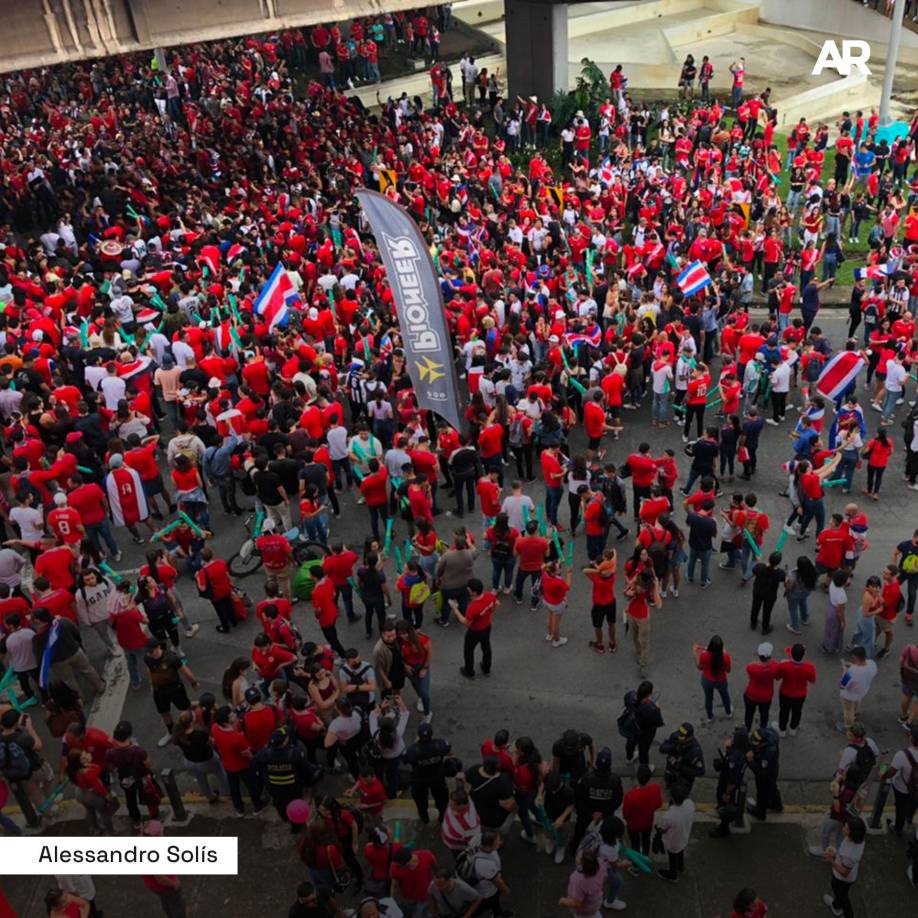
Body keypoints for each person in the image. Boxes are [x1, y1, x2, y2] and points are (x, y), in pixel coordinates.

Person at [404, 721, 452, 825]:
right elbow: (448, 748)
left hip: (420, 779)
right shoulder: (439, 745)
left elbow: (405, 759)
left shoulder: (413, 750)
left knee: (421, 801)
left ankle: (424, 818)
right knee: (441, 799)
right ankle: (442, 817)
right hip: (437, 777)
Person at [822, 816, 867, 918]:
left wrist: (832, 861)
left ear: (853, 833)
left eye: (846, 828)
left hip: (843, 878)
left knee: (842, 896)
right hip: (846, 873)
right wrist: (836, 854)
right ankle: (836, 905)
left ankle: (848, 915)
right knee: (838, 892)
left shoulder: (850, 854)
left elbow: (844, 872)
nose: (843, 828)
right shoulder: (859, 839)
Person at [454, 579, 497, 679]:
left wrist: (456, 610)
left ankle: (469, 671)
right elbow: (497, 604)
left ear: (473, 592)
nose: (467, 590)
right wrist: (489, 612)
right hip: (487, 627)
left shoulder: (472, 608)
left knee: (468, 650)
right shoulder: (489, 595)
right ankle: (486, 668)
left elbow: (466, 623)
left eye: (468, 589)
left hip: (475, 631)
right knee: (486, 647)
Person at [466, 829, 514, 918]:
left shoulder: (476, 839)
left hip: (476, 883)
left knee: (494, 902)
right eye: (498, 841)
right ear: (491, 846)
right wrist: (506, 890)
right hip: (486, 892)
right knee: (485, 905)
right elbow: (497, 881)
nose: (501, 842)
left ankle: (498, 914)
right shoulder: (486, 864)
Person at [654, 782, 696, 882]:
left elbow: (663, 829)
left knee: (673, 857)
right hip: (684, 836)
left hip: (673, 841)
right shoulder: (690, 804)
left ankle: (673, 875)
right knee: (680, 851)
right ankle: (680, 867)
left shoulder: (669, 815)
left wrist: (657, 828)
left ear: (672, 798)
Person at [621, 764, 663, 857]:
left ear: (637, 776)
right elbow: (658, 804)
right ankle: (645, 857)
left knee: (635, 843)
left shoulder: (630, 795)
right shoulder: (655, 788)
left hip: (633, 825)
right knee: (646, 840)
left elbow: (625, 814)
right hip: (647, 822)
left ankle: (636, 864)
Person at [885, 725, 918, 837]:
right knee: (914, 802)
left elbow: (891, 773)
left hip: (902, 788)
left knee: (900, 808)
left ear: (912, 738)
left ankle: (898, 828)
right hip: (916, 789)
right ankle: (909, 818)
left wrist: (882, 773)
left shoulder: (902, 755)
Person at [837, 647, 878, 732]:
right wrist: (853, 666)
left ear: (855, 657)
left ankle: (848, 726)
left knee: (848, 711)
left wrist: (845, 671)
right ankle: (855, 713)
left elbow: (842, 685)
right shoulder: (872, 664)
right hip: (862, 691)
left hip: (849, 695)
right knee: (857, 703)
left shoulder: (850, 672)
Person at [558, 846, 606, 917]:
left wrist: (563, 901)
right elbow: (605, 876)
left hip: (585, 911)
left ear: (582, 864)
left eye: (578, 856)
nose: (576, 856)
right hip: (597, 901)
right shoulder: (601, 863)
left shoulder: (577, 879)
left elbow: (577, 903)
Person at [694, 635, 733, 722]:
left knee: (708, 698)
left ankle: (710, 717)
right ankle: (728, 713)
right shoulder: (725, 657)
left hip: (707, 680)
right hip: (721, 681)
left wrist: (695, 653)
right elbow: (728, 670)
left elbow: (699, 667)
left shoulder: (704, 655)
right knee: (725, 696)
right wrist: (725, 653)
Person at [743, 642, 779, 731]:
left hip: (751, 695)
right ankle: (763, 729)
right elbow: (777, 677)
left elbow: (750, 675)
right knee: (764, 713)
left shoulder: (751, 667)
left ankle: (747, 729)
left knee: (749, 713)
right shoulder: (775, 665)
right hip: (766, 696)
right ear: (770, 655)